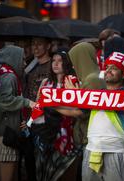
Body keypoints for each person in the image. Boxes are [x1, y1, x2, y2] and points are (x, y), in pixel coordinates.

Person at [58, 52, 124, 181]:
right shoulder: (96, 94)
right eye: (107, 67)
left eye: (114, 68)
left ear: (123, 74)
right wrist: (47, 103)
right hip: (91, 150)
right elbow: (76, 111)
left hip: (116, 152)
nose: (108, 70)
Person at [29, 48, 80, 181]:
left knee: (61, 173)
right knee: (44, 172)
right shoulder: (46, 83)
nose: (55, 64)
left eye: (60, 61)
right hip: (45, 132)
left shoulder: (72, 82)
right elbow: (38, 105)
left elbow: (78, 109)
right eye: (53, 61)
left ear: (67, 63)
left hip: (65, 132)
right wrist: (29, 121)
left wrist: (54, 107)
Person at [0, 45, 36, 181]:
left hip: (7, 133)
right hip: (4, 137)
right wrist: (27, 102)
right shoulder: (9, 77)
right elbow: (4, 100)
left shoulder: (6, 74)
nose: (25, 63)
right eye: (22, 59)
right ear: (13, 59)